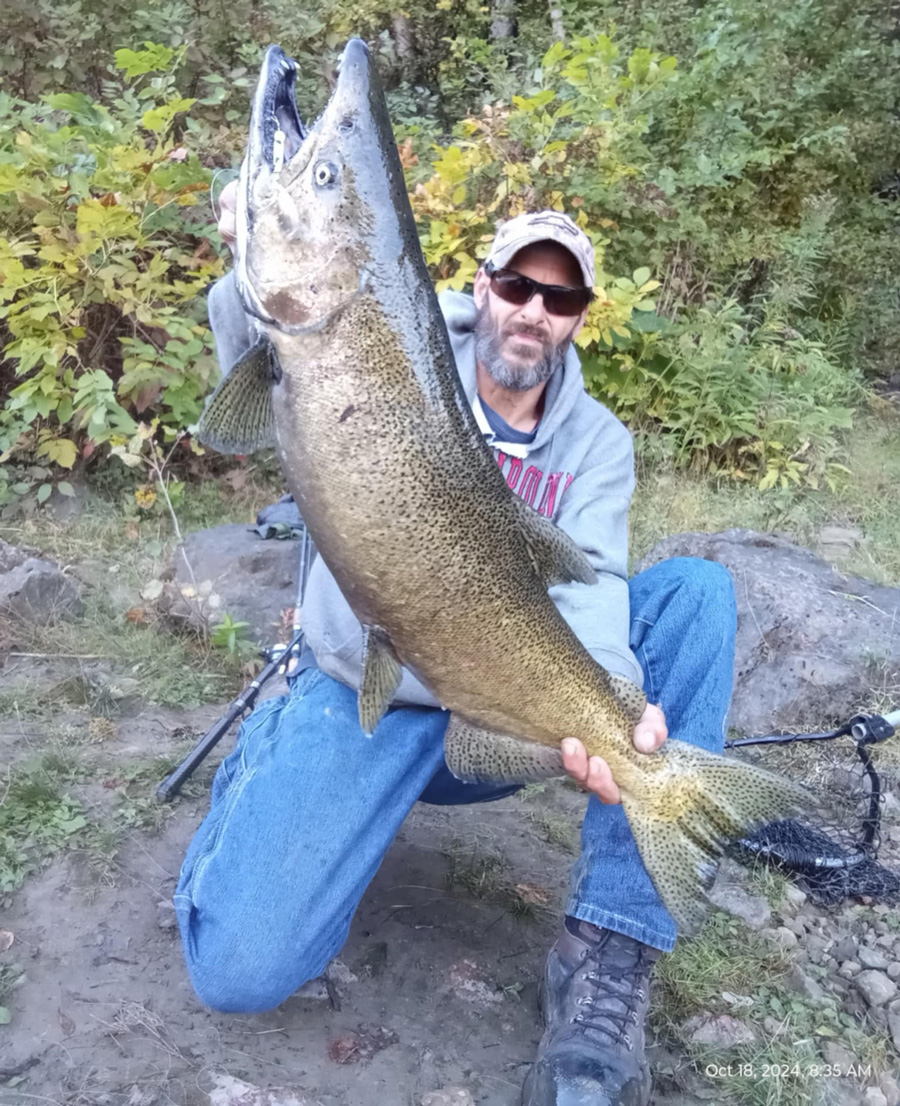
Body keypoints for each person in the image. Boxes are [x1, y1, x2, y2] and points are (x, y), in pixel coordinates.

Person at [175, 186, 737, 1106]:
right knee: (236, 973)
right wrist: (249, 267)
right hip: (369, 688)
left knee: (698, 597)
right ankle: (267, 769)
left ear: (579, 320)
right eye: (519, 285)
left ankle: (613, 950)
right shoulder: (384, 351)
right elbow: (260, 365)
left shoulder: (596, 443)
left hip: (504, 706)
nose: (534, 313)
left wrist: (619, 718)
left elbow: (593, 587)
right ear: (485, 285)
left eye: (561, 301)